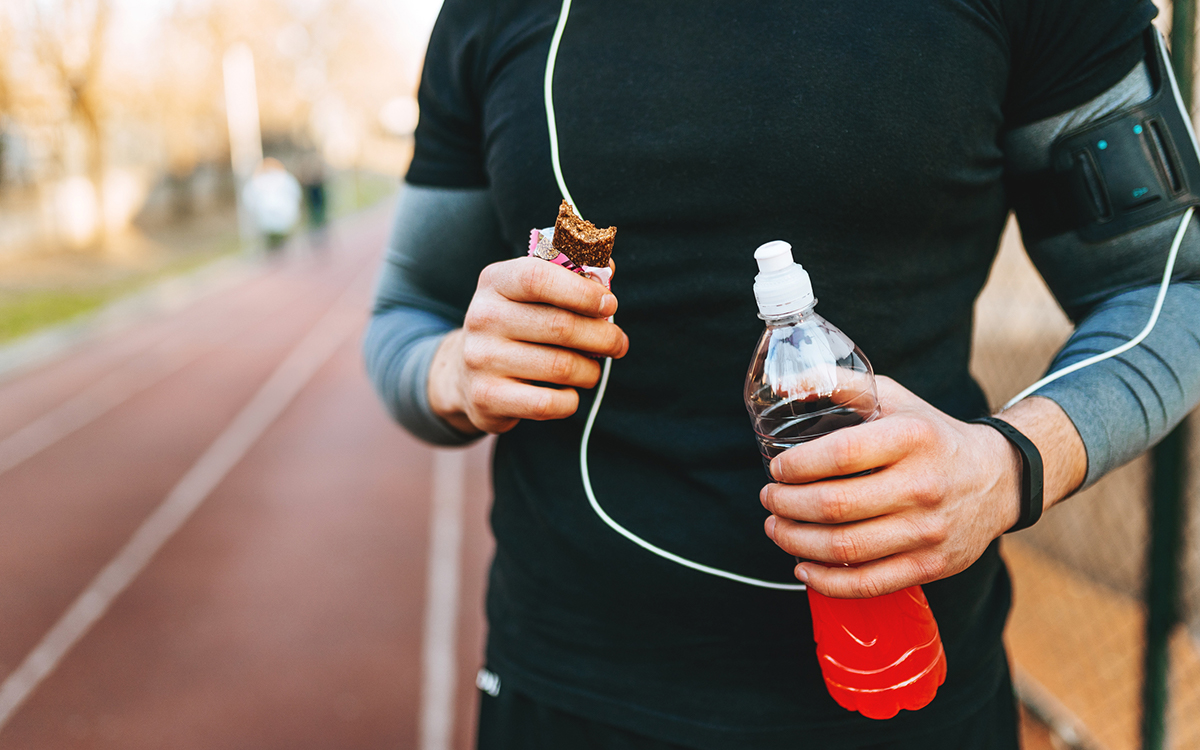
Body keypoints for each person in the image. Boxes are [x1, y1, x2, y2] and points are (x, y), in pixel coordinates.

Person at [364, 1, 1200, 747]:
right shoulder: (485, 15)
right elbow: (405, 310)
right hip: (566, 681)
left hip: (909, 682)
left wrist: (1013, 462)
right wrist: (452, 373)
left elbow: (1173, 288)